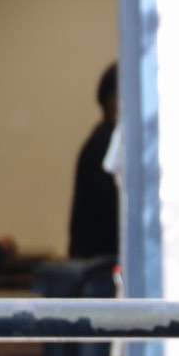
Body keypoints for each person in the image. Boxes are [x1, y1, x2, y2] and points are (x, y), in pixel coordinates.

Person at [67, 62, 118, 260]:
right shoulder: (106, 146)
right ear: (114, 100)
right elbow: (115, 213)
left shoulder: (103, 142)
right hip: (101, 270)